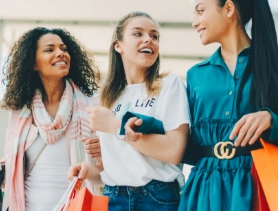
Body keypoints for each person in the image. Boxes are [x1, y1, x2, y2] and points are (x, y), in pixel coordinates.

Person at [0, 27, 100, 211]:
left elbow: (106, 172)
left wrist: (102, 153)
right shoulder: (21, 114)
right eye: (50, 49)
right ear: (33, 63)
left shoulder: (89, 107)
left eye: (64, 49)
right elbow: (7, 177)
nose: (60, 53)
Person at [179, 0, 278, 210]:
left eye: (200, 10)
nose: (195, 21)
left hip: (261, 190)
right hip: (205, 193)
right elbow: (189, 147)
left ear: (229, 8)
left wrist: (271, 121)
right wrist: (153, 127)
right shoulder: (196, 75)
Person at [68, 11, 190, 211]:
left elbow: (174, 151)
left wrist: (116, 126)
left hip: (157, 199)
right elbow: (116, 169)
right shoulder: (107, 97)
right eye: (138, 34)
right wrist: (90, 171)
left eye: (154, 36)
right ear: (118, 45)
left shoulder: (169, 85)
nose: (148, 40)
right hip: (114, 197)